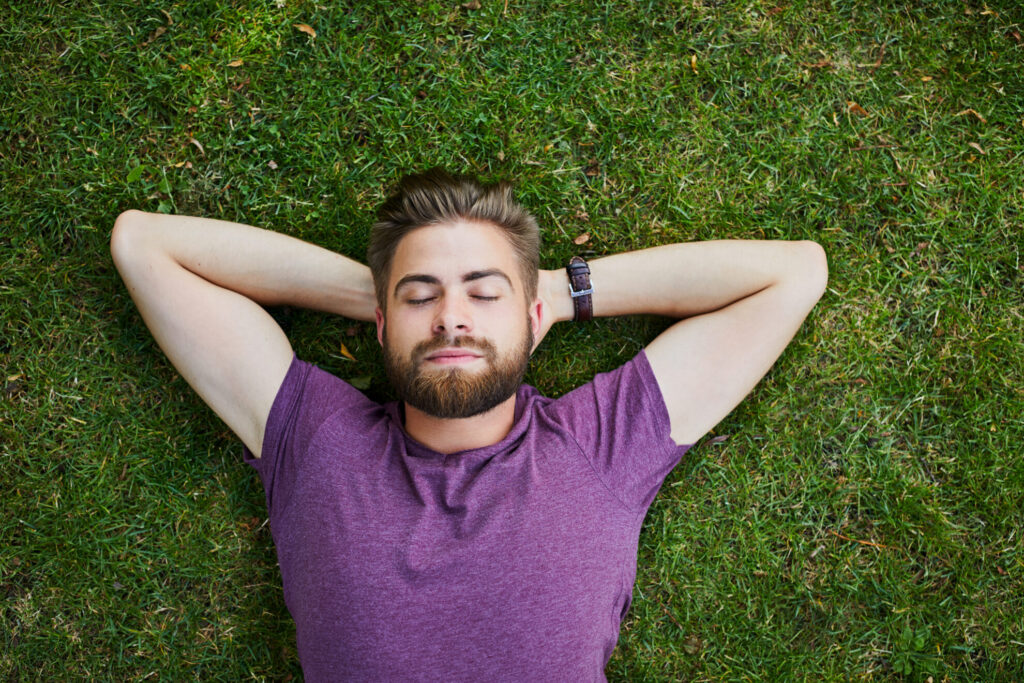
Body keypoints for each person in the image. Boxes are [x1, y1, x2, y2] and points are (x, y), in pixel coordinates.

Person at [110, 168, 827, 681]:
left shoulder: (602, 444)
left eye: (484, 294)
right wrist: (386, 296)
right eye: (423, 297)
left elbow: (794, 275)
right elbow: (145, 246)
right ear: (382, 321)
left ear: (532, 317)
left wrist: (563, 292)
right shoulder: (318, 440)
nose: (453, 316)